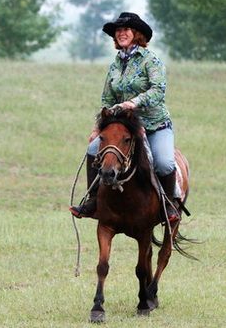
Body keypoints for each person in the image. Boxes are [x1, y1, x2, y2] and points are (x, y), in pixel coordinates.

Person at [70, 12, 180, 223]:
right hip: (124, 127)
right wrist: (98, 128)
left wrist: (134, 102)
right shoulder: (115, 65)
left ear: (136, 34)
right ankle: (93, 200)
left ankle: (170, 205)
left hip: (154, 125)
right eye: (118, 31)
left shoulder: (151, 60)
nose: (121, 34)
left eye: (126, 30)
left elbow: (158, 90)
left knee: (164, 162)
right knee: (93, 150)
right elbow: (107, 98)